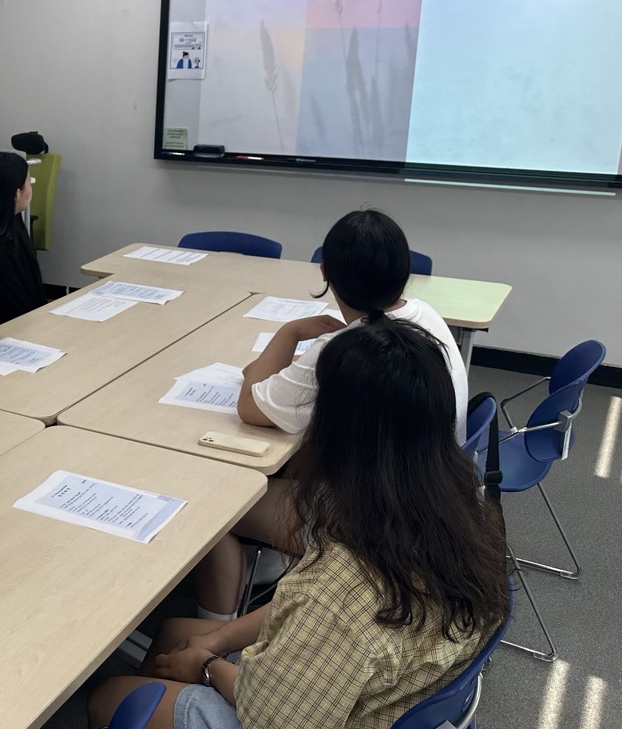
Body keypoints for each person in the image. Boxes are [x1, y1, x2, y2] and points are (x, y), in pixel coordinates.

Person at [79, 320, 510, 729]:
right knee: (176, 633)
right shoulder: (458, 511)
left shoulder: (346, 586)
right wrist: (219, 638)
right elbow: (299, 604)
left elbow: (275, 727)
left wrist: (209, 666)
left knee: (110, 700)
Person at [191, 209, 468, 617]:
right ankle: (272, 566)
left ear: (324, 272)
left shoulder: (342, 349)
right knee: (293, 456)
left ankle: (216, 630)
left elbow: (250, 406)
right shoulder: (424, 315)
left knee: (217, 501)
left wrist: (290, 332)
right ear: (405, 272)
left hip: (370, 528)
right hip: (433, 497)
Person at [0, 151, 45, 333]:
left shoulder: (12, 224)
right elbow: (14, 313)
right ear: (17, 193)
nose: (31, 187)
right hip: (10, 334)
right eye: (28, 182)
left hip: (31, 324)